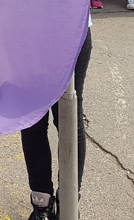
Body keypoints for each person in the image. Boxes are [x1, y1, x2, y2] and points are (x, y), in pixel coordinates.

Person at [20, 26, 92, 220]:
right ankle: (41, 203)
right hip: (25, 33)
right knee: (32, 120)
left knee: (68, 118)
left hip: (71, 31)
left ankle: (68, 202)